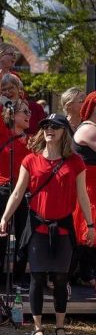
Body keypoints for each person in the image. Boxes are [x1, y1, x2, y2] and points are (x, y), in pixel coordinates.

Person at [0, 113, 93, 335]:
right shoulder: (30, 160)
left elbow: (82, 196)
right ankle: (39, 326)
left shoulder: (76, 162)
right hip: (38, 226)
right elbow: (18, 192)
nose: (50, 130)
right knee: (37, 278)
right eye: (46, 126)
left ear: (64, 132)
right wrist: (5, 218)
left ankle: (60, 327)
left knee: (61, 279)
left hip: (63, 226)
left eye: (55, 126)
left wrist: (90, 225)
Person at [0, 69, 31, 282]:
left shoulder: (33, 141)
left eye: (29, 112)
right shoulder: (1, 132)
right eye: (25, 112)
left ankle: (20, 276)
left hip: (24, 191)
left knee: (24, 233)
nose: (28, 115)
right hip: (3, 187)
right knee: (1, 232)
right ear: (13, 114)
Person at [73, 92, 96, 290]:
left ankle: (86, 272)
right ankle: (84, 273)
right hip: (89, 187)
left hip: (92, 186)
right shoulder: (89, 129)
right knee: (88, 230)